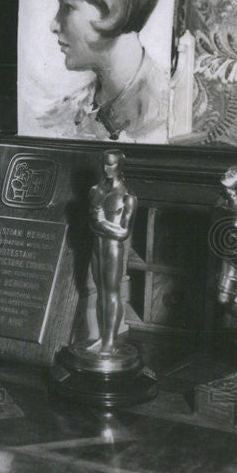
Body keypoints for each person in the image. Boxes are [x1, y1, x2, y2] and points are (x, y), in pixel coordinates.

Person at [42, 0, 170, 142]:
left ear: (113, 9)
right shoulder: (66, 114)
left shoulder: (166, 109)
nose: (54, 25)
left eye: (68, 6)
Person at [87, 150, 137, 355]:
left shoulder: (128, 197)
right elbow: (89, 223)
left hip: (113, 249)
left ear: (120, 166)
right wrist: (99, 224)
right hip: (96, 247)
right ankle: (102, 338)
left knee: (112, 293)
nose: (108, 169)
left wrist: (101, 223)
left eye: (112, 165)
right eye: (105, 165)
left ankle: (110, 341)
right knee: (100, 293)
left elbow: (124, 232)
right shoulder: (95, 190)